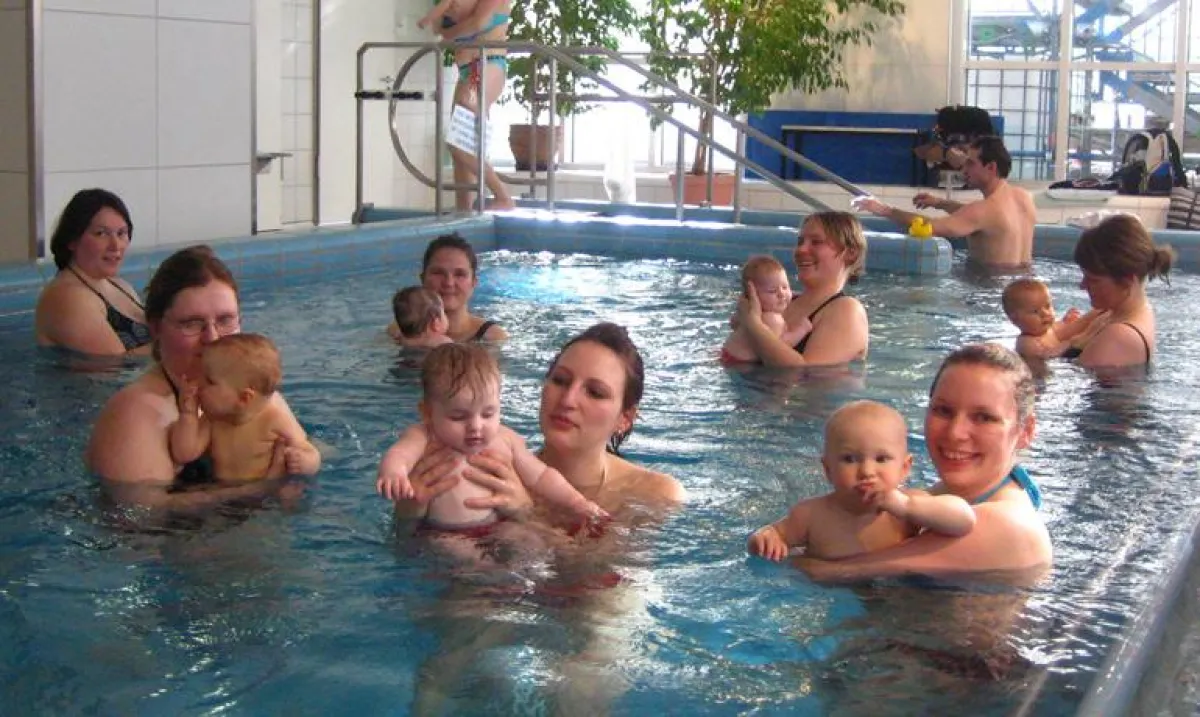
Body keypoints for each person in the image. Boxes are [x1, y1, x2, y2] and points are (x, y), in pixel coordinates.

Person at [86, 245, 321, 510]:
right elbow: (143, 515)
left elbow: (305, 448)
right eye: (192, 324)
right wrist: (261, 489)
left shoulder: (248, 392)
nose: (213, 338)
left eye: (225, 320)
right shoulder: (137, 413)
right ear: (155, 328)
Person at [796, 343, 1052, 582]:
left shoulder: (1010, 527)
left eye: (984, 417)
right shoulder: (941, 498)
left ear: (1026, 431)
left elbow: (827, 572)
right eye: (943, 411)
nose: (955, 433)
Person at [378, 343, 605, 534]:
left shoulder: (505, 439)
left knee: (531, 544)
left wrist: (577, 502)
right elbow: (400, 454)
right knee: (466, 558)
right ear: (427, 413)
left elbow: (542, 476)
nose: (476, 427)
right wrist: (395, 473)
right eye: (458, 417)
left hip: (500, 526)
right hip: (446, 535)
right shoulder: (424, 436)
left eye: (488, 414)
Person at [748, 400, 975, 561]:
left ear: (905, 468)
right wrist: (766, 538)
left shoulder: (908, 507)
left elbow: (963, 519)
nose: (867, 471)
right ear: (828, 469)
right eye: (849, 459)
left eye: (881, 459)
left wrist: (906, 507)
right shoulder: (811, 516)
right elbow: (769, 536)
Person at [857, 136, 1036, 272]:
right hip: (1023, 281)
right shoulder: (1024, 198)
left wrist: (884, 210)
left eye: (971, 164)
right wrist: (940, 203)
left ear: (991, 168)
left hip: (988, 288)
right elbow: (979, 218)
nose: (964, 170)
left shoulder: (983, 210)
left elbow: (927, 227)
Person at [168, 333, 321, 481]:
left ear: (243, 398)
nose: (198, 384)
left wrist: (305, 462)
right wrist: (188, 414)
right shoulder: (213, 419)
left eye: (209, 381)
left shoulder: (274, 419)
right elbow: (184, 454)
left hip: (267, 498)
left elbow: (307, 448)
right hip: (225, 492)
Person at [732, 211, 869, 368]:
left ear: (850, 253)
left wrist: (752, 323)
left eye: (816, 242)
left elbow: (804, 374)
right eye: (800, 242)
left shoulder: (847, 310)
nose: (801, 250)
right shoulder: (783, 301)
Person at [35, 188, 152, 355]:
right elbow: (116, 365)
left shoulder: (120, 286)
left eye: (121, 233)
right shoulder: (68, 297)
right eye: (101, 234)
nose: (115, 245)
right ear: (72, 240)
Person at [427, 0, 516, 212]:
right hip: (469, 71)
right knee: (463, 145)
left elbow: (477, 23)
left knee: (459, 143)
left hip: (487, 66)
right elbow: (437, 26)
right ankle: (463, 208)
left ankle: (503, 196)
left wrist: (451, 33)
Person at [1063, 214, 1174, 368]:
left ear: (1127, 281)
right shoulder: (1114, 313)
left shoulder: (1118, 337)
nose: (1082, 285)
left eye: (1093, 279)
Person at [386, 234, 507, 342]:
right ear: (422, 279)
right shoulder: (398, 332)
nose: (448, 283)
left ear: (473, 283)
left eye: (459, 274)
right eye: (438, 273)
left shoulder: (492, 338)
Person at [721, 255, 811, 364]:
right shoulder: (772, 319)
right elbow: (779, 347)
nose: (781, 294)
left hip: (728, 354)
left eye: (785, 287)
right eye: (772, 291)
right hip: (740, 364)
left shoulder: (746, 312)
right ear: (753, 295)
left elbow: (733, 323)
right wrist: (801, 330)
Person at [1001, 278, 1102, 361]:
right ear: (1015, 319)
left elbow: (1075, 326)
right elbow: (1048, 356)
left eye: (1048, 306)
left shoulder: (1049, 330)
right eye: (1035, 311)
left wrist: (1095, 313)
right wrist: (1071, 342)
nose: (1045, 313)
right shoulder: (1026, 343)